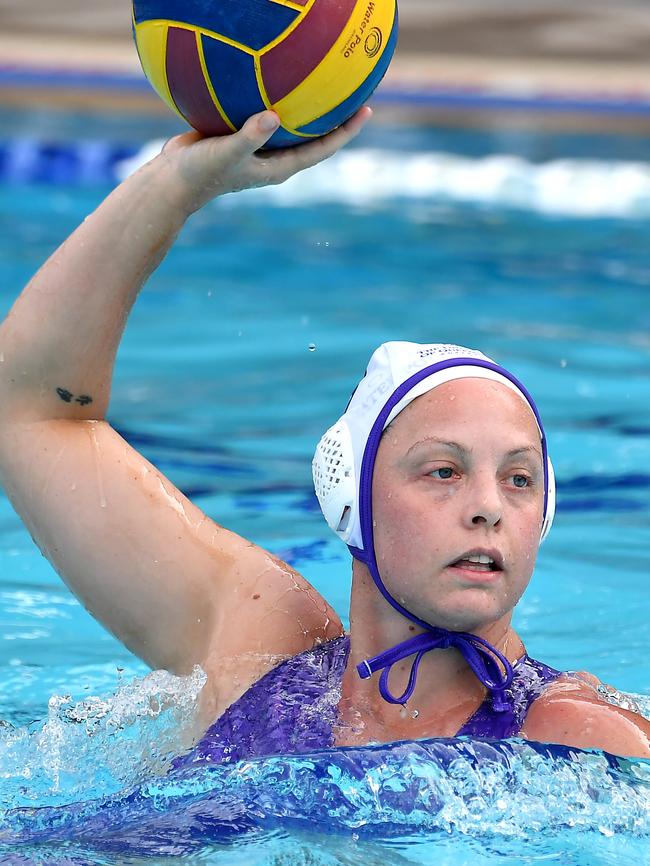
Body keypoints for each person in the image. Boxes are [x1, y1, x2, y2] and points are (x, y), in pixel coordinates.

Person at [0, 109, 648, 764]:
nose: (489, 507)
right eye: (444, 471)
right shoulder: (258, 649)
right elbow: (29, 409)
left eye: (519, 479)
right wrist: (174, 184)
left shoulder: (577, 735)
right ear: (351, 495)